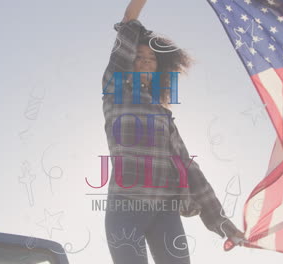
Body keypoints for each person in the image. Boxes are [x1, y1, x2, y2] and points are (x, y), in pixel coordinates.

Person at [101, 0, 245, 263]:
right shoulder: (115, 89)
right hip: (125, 208)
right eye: (139, 57)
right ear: (129, 62)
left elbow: (191, 172)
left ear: (160, 68)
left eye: (151, 59)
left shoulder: (164, 117)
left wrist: (224, 226)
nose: (145, 62)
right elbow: (129, 19)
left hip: (165, 212)